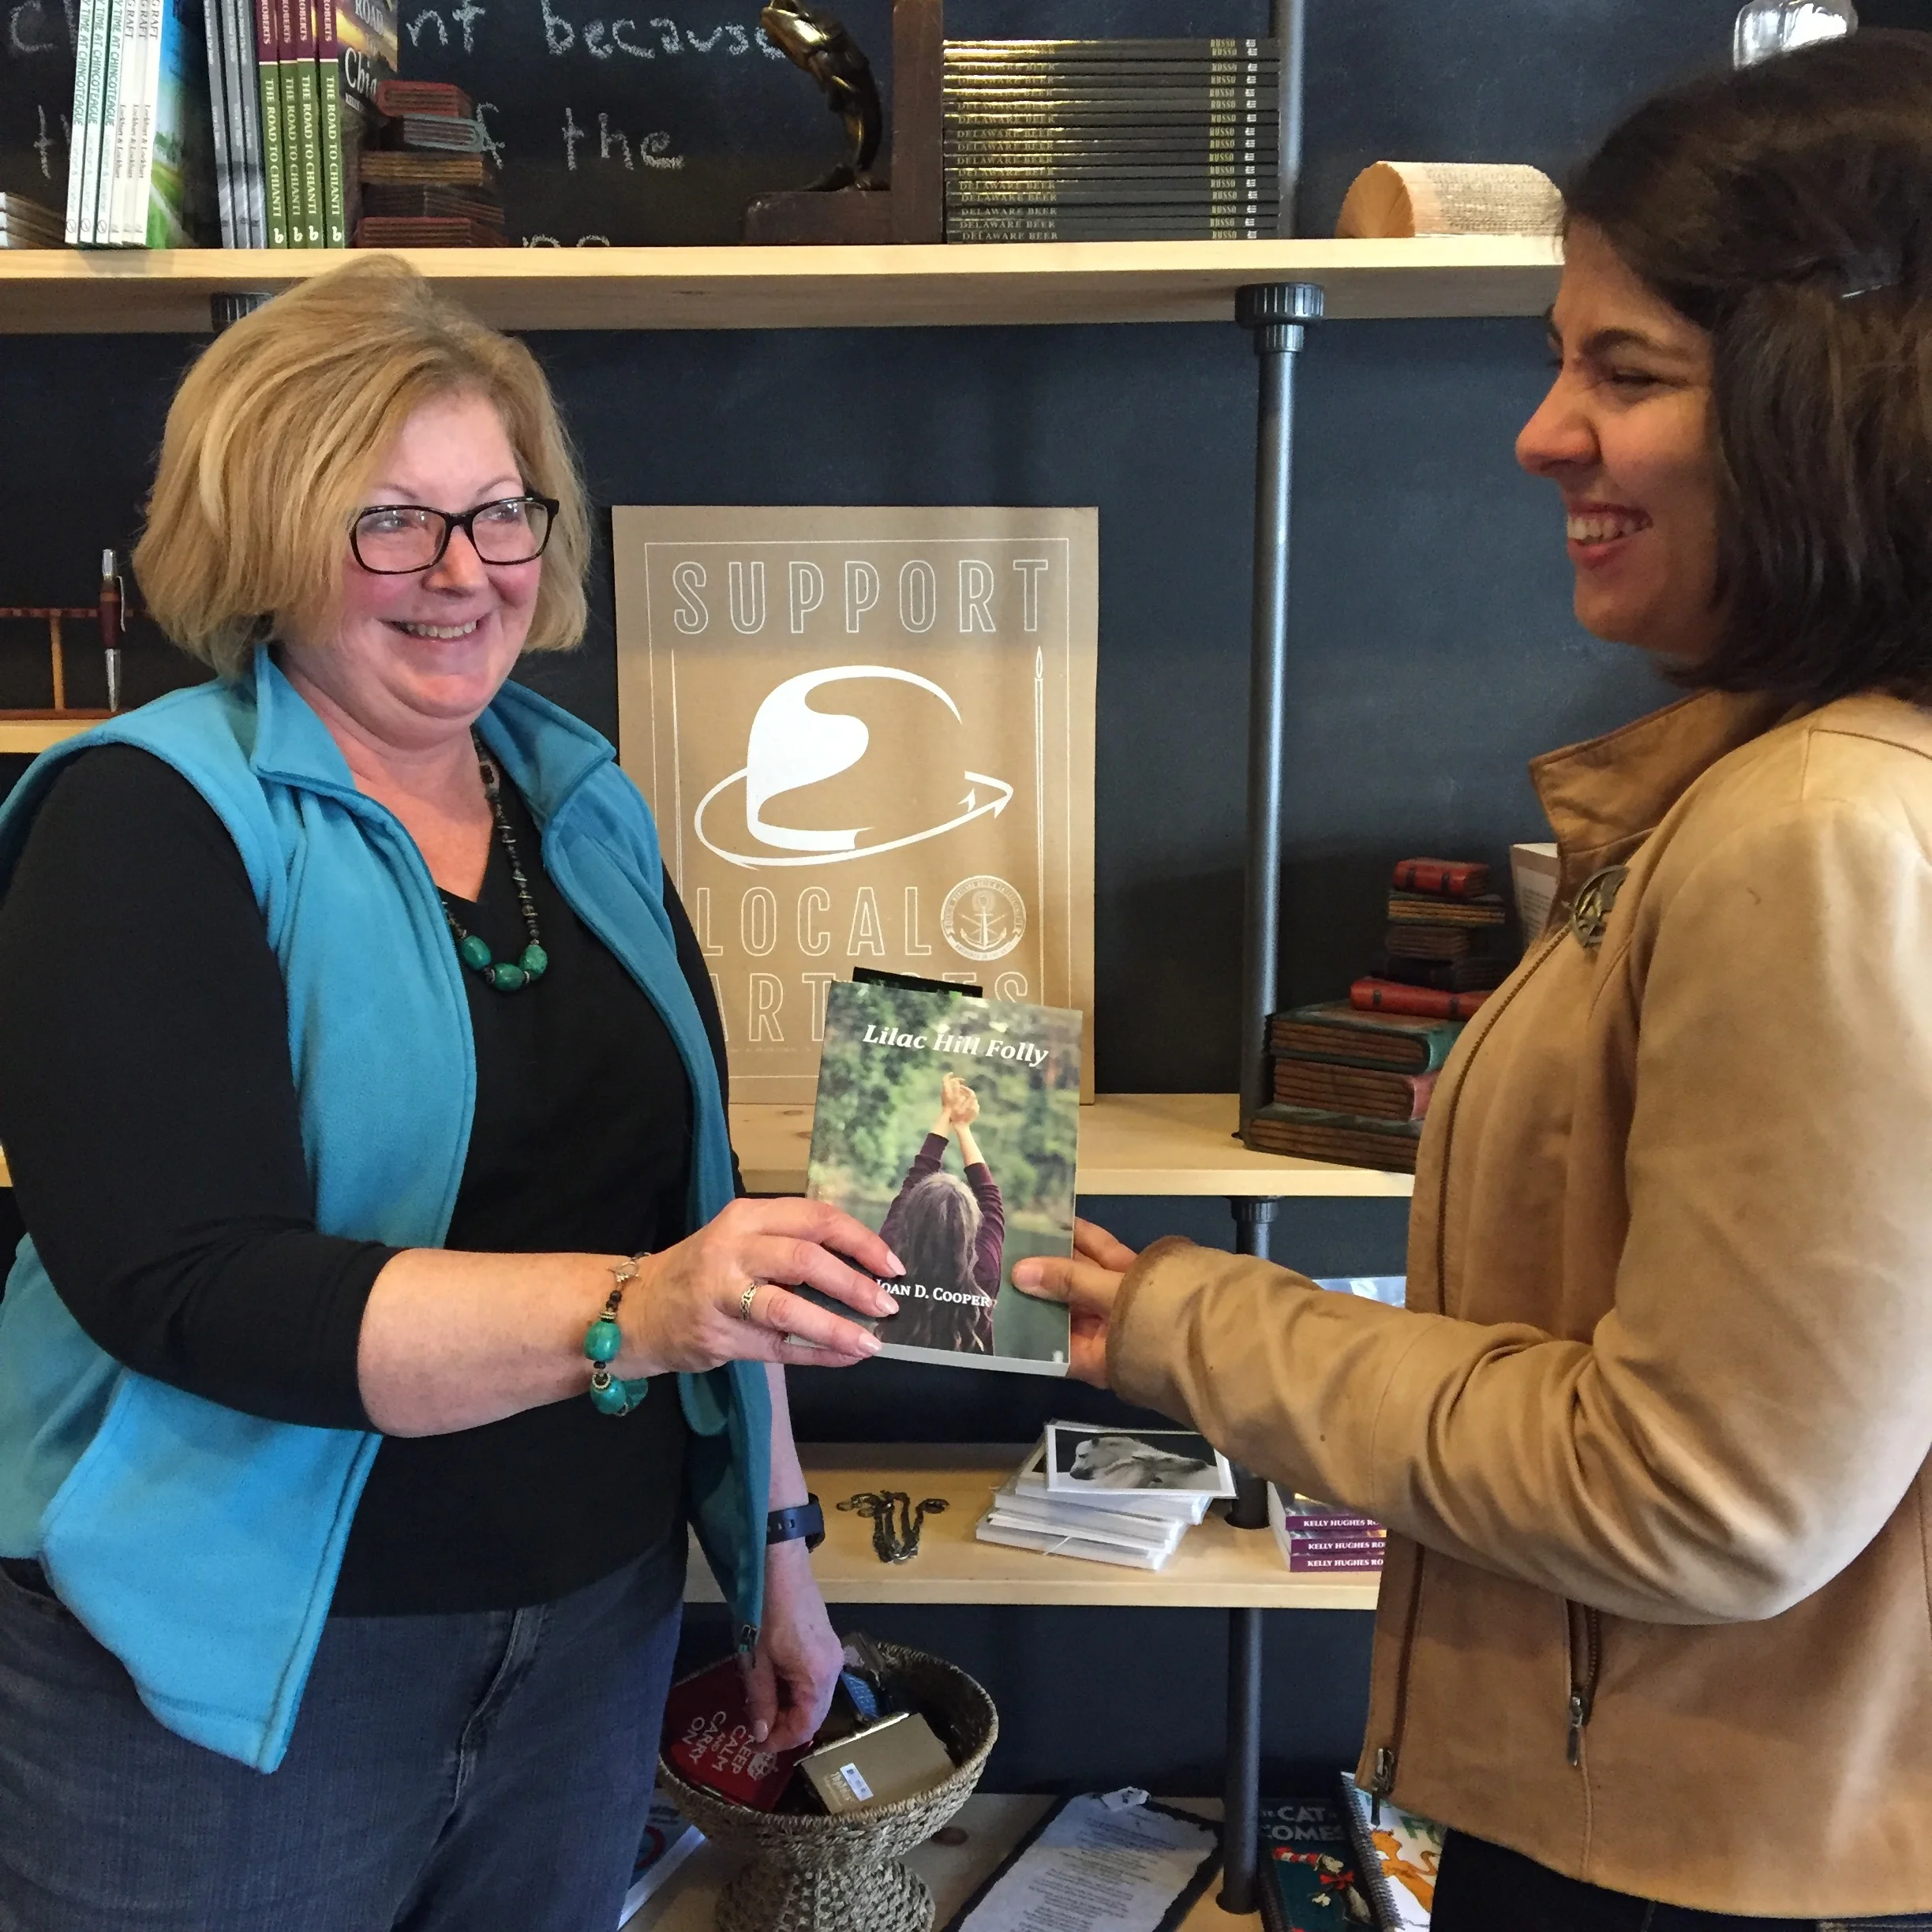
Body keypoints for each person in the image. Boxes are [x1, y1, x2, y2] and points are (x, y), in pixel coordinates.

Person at [1018, 33, 1932, 1931]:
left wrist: (1192, 1324)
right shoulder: (1806, 787)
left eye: (1626, 371)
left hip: (1702, 1861)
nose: (1541, 434)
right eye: (1557, 358)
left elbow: (1701, 1494)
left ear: (1830, 397)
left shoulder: (1812, 830)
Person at [0, 254, 904, 1932]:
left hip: (587, 1637)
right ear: (268, 538)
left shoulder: (579, 801)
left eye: (498, 514)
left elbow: (701, 1205)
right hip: (232, 1670)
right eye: (389, 522)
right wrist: (634, 1312)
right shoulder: (143, 819)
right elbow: (185, 1283)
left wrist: (779, 1552)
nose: (463, 572)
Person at [876, 1071, 1003, 1354]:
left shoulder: (890, 1256)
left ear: (912, 1214)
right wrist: (963, 1127)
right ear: (971, 1224)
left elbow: (917, 1175)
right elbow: (990, 1198)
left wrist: (947, 1113)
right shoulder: (982, 1271)